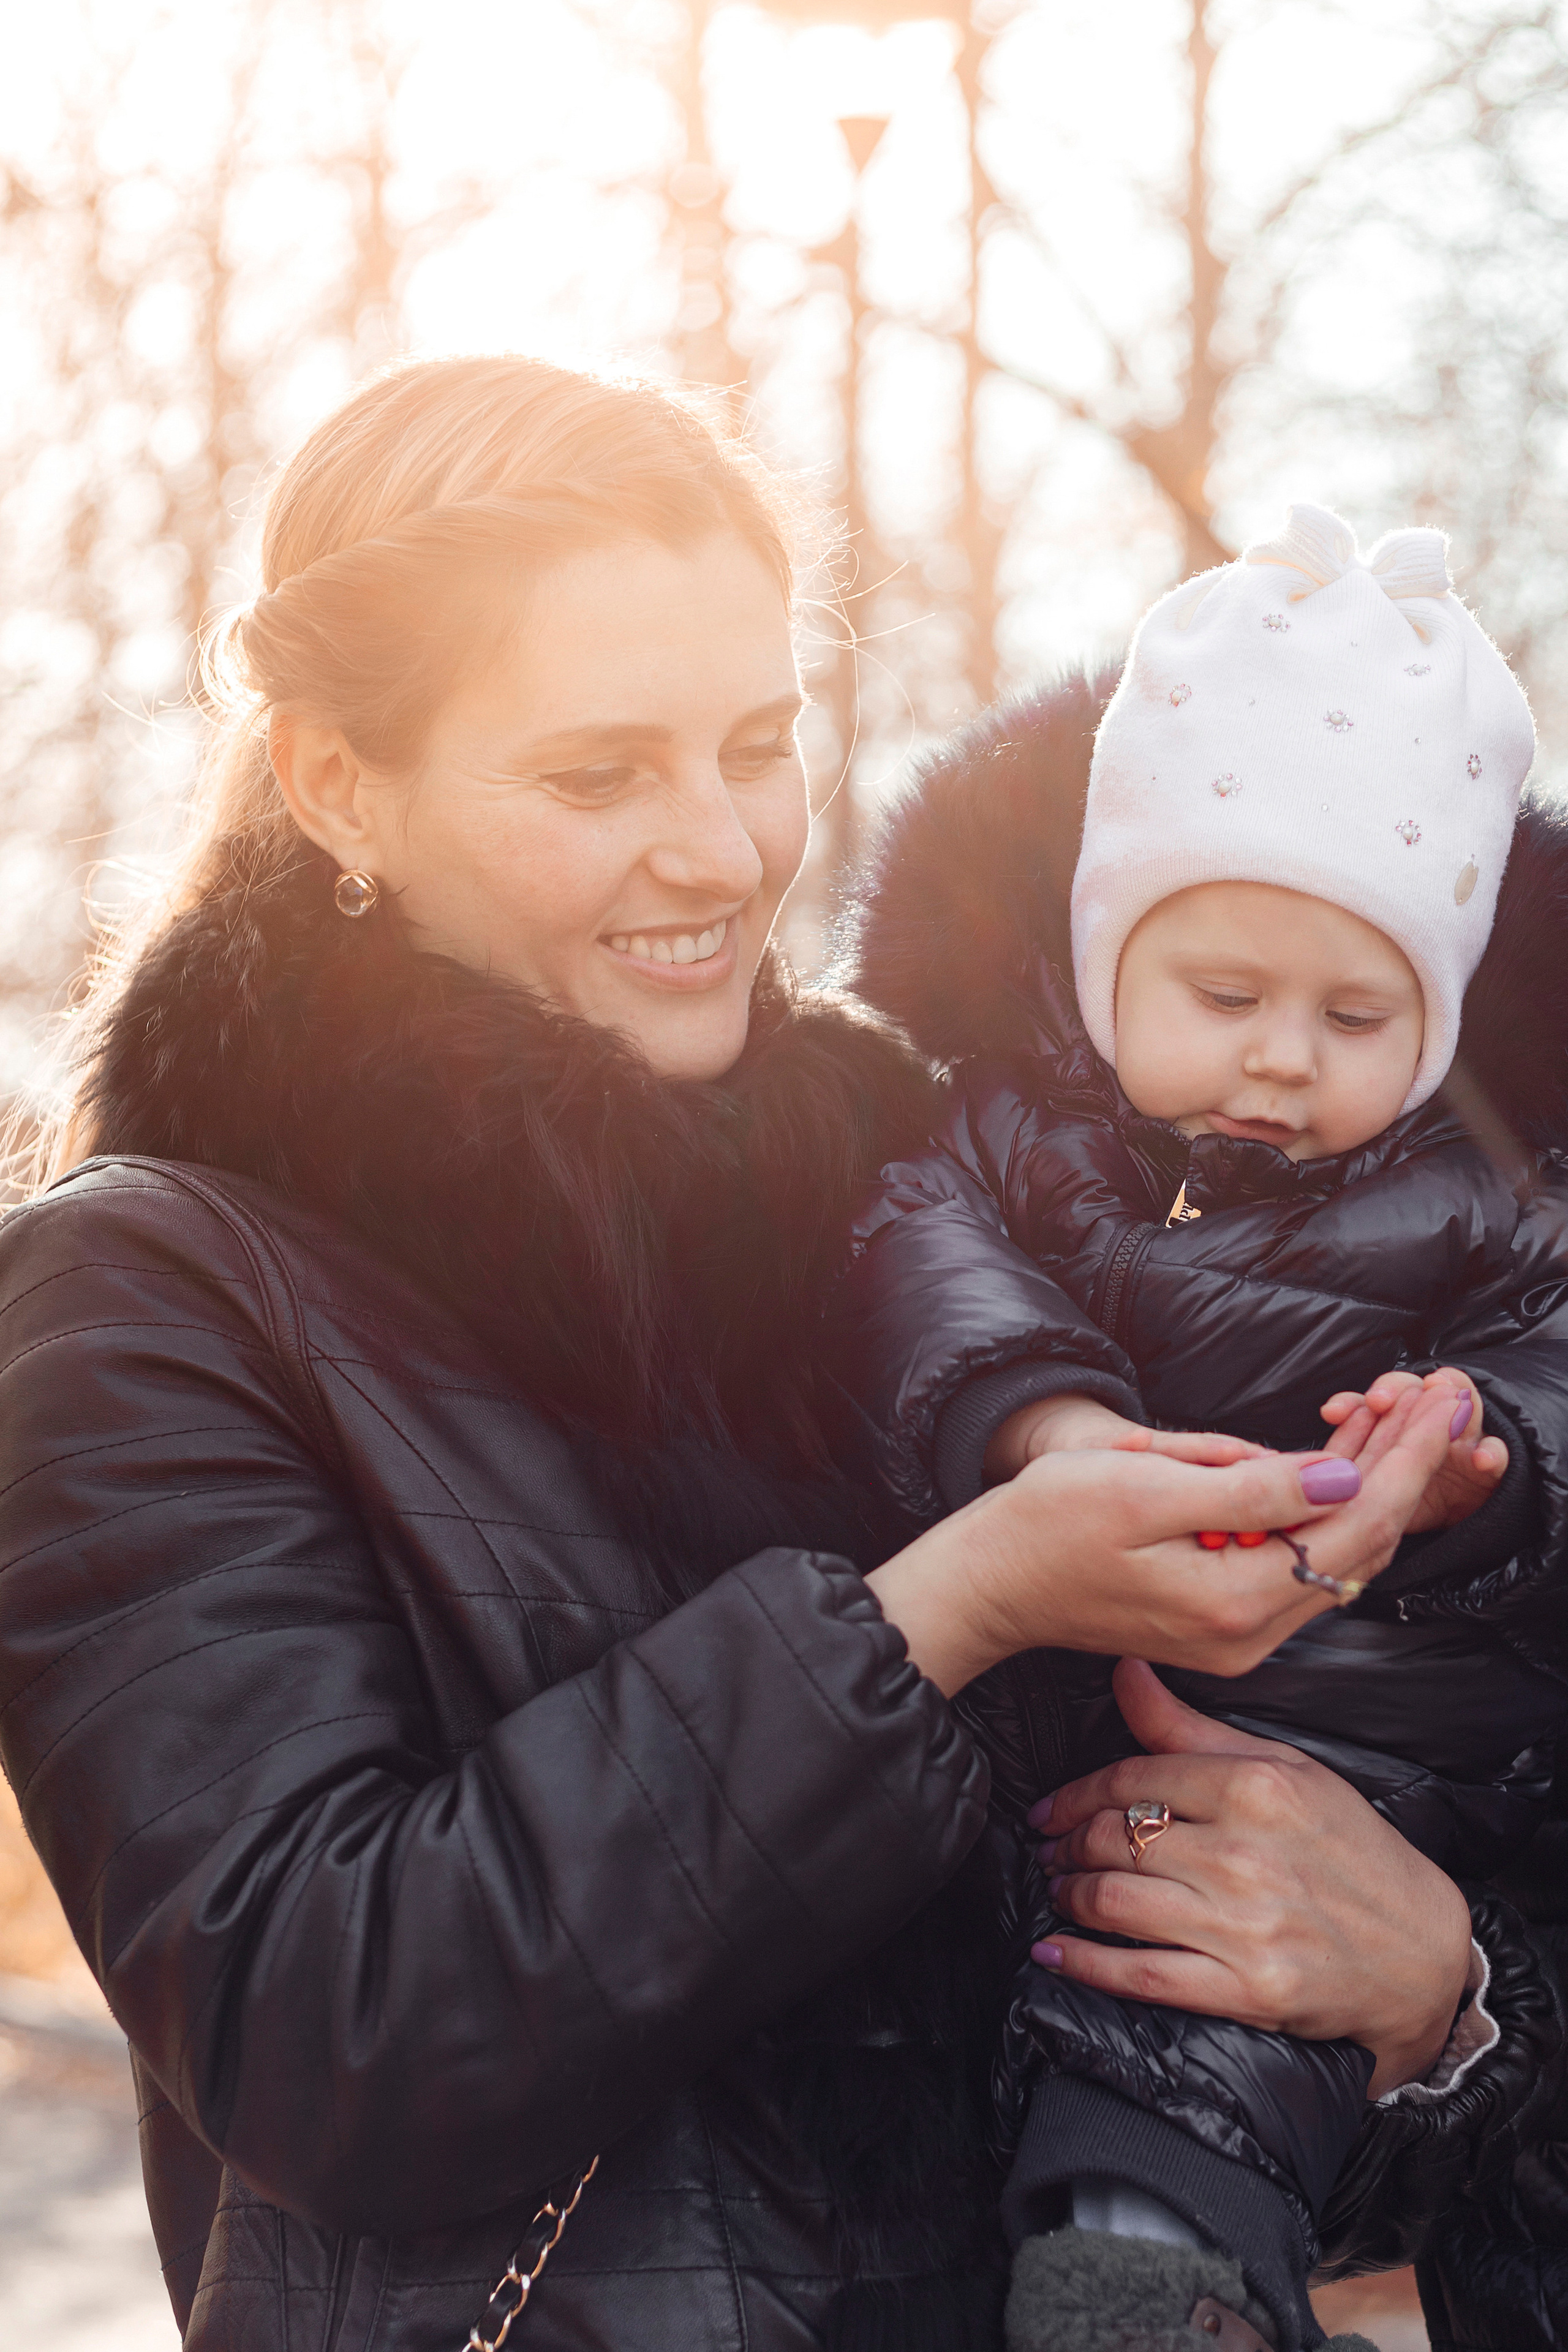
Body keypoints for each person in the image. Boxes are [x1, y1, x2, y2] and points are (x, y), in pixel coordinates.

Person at [0, 383, 1547, 2352]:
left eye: (757, 746)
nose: (721, 849)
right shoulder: (146, 1294)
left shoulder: (919, 1231)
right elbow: (336, 2036)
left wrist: (1434, 1999)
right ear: (338, 786)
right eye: (598, 777)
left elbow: (1215, 2139)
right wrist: (948, 1614)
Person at [836, 502, 1568, 2350]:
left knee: (1213, 2015)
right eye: (1225, 995)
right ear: (1103, 961)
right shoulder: (1007, 1141)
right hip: (1076, 1741)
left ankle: (1162, 2290)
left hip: (1382, 1747)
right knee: (1105, 1961)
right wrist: (1046, 1425)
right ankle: (1145, 2267)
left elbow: (1557, 1357)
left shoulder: (1491, 1197)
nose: (1282, 1058)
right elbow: (927, 1269)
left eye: (1358, 1013)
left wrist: (1486, 1465)